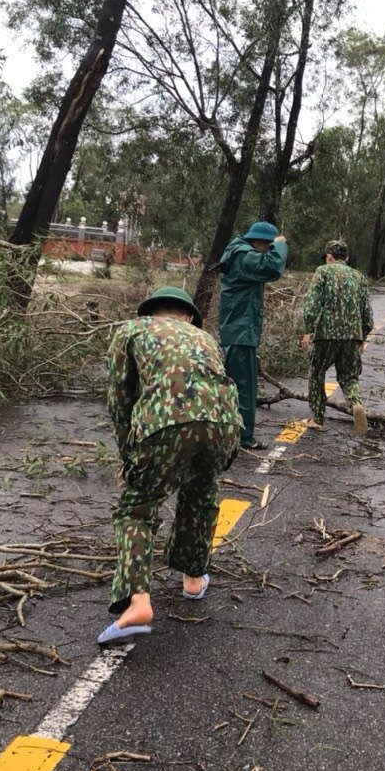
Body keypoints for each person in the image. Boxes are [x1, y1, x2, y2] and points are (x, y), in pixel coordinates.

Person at [99, 287, 241, 645]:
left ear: (147, 314)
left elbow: (121, 400)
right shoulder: (205, 338)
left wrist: (128, 458)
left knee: (138, 507)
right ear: (189, 316)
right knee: (201, 492)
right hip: (225, 424)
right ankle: (194, 580)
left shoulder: (131, 331)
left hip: (165, 422)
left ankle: (138, 603)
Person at [218, 222, 288, 450]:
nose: (268, 250)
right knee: (244, 387)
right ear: (259, 242)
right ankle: (243, 438)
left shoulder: (240, 253)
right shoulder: (244, 256)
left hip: (239, 331)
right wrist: (280, 246)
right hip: (240, 333)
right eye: (267, 246)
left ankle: (228, 432)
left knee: (234, 385)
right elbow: (273, 267)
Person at [300, 239, 373, 435]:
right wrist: (363, 337)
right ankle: (355, 404)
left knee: (317, 373)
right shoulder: (359, 277)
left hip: (327, 334)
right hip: (352, 335)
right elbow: (367, 311)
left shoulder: (323, 271)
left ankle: (317, 418)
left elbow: (313, 302)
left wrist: (308, 330)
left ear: (329, 256)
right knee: (349, 376)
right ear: (346, 258)